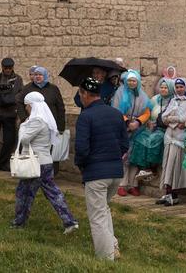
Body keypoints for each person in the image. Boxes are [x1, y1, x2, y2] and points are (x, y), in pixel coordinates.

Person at [75, 77, 129, 261]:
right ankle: (112, 246)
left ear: (85, 94)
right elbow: (124, 144)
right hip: (115, 172)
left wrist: (82, 165)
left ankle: (106, 259)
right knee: (103, 209)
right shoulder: (115, 113)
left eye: (80, 94)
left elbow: (81, 149)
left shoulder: (85, 116)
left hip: (96, 173)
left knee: (97, 216)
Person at [12, 91, 78, 233]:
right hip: (44, 161)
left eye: (27, 106)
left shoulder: (37, 121)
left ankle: (19, 222)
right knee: (50, 192)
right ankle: (69, 221)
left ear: (32, 105)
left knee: (24, 193)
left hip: (36, 163)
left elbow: (24, 139)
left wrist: (22, 126)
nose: (26, 109)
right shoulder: (45, 120)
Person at [111, 70, 151, 197]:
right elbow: (116, 110)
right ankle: (122, 184)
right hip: (124, 128)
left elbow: (147, 112)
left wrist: (138, 122)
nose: (132, 83)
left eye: (134, 80)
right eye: (129, 80)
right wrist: (127, 122)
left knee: (135, 158)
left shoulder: (142, 95)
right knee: (124, 157)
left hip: (138, 129)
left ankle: (133, 184)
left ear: (138, 81)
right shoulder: (120, 93)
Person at [157, 77, 186, 206]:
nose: (179, 89)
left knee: (175, 166)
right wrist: (175, 119)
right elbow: (163, 117)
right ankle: (167, 193)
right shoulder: (172, 100)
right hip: (169, 136)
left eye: (181, 87)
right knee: (167, 165)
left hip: (179, 138)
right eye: (177, 87)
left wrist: (172, 118)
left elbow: (185, 117)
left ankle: (175, 194)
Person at [0, 57, 23, 172]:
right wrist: (4, 102)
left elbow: (20, 93)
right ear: (2, 67)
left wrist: (11, 100)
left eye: (10, 68)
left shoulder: (18, 79)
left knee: (9, 141)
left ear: (13, 68)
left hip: (10, 113)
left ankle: (0, 162)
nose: (8, 70)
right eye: (6, 68)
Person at [16, 66, 65, 140]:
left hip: (49, 125)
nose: (37, 76)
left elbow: (60, 107)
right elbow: (19, 102)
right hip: (32, 126)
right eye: (36, 74)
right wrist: (24, 118)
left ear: (45, 75)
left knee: (46, 148)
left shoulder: (53, 89)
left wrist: (61, 126)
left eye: (40, 74)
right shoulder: (27, 88)